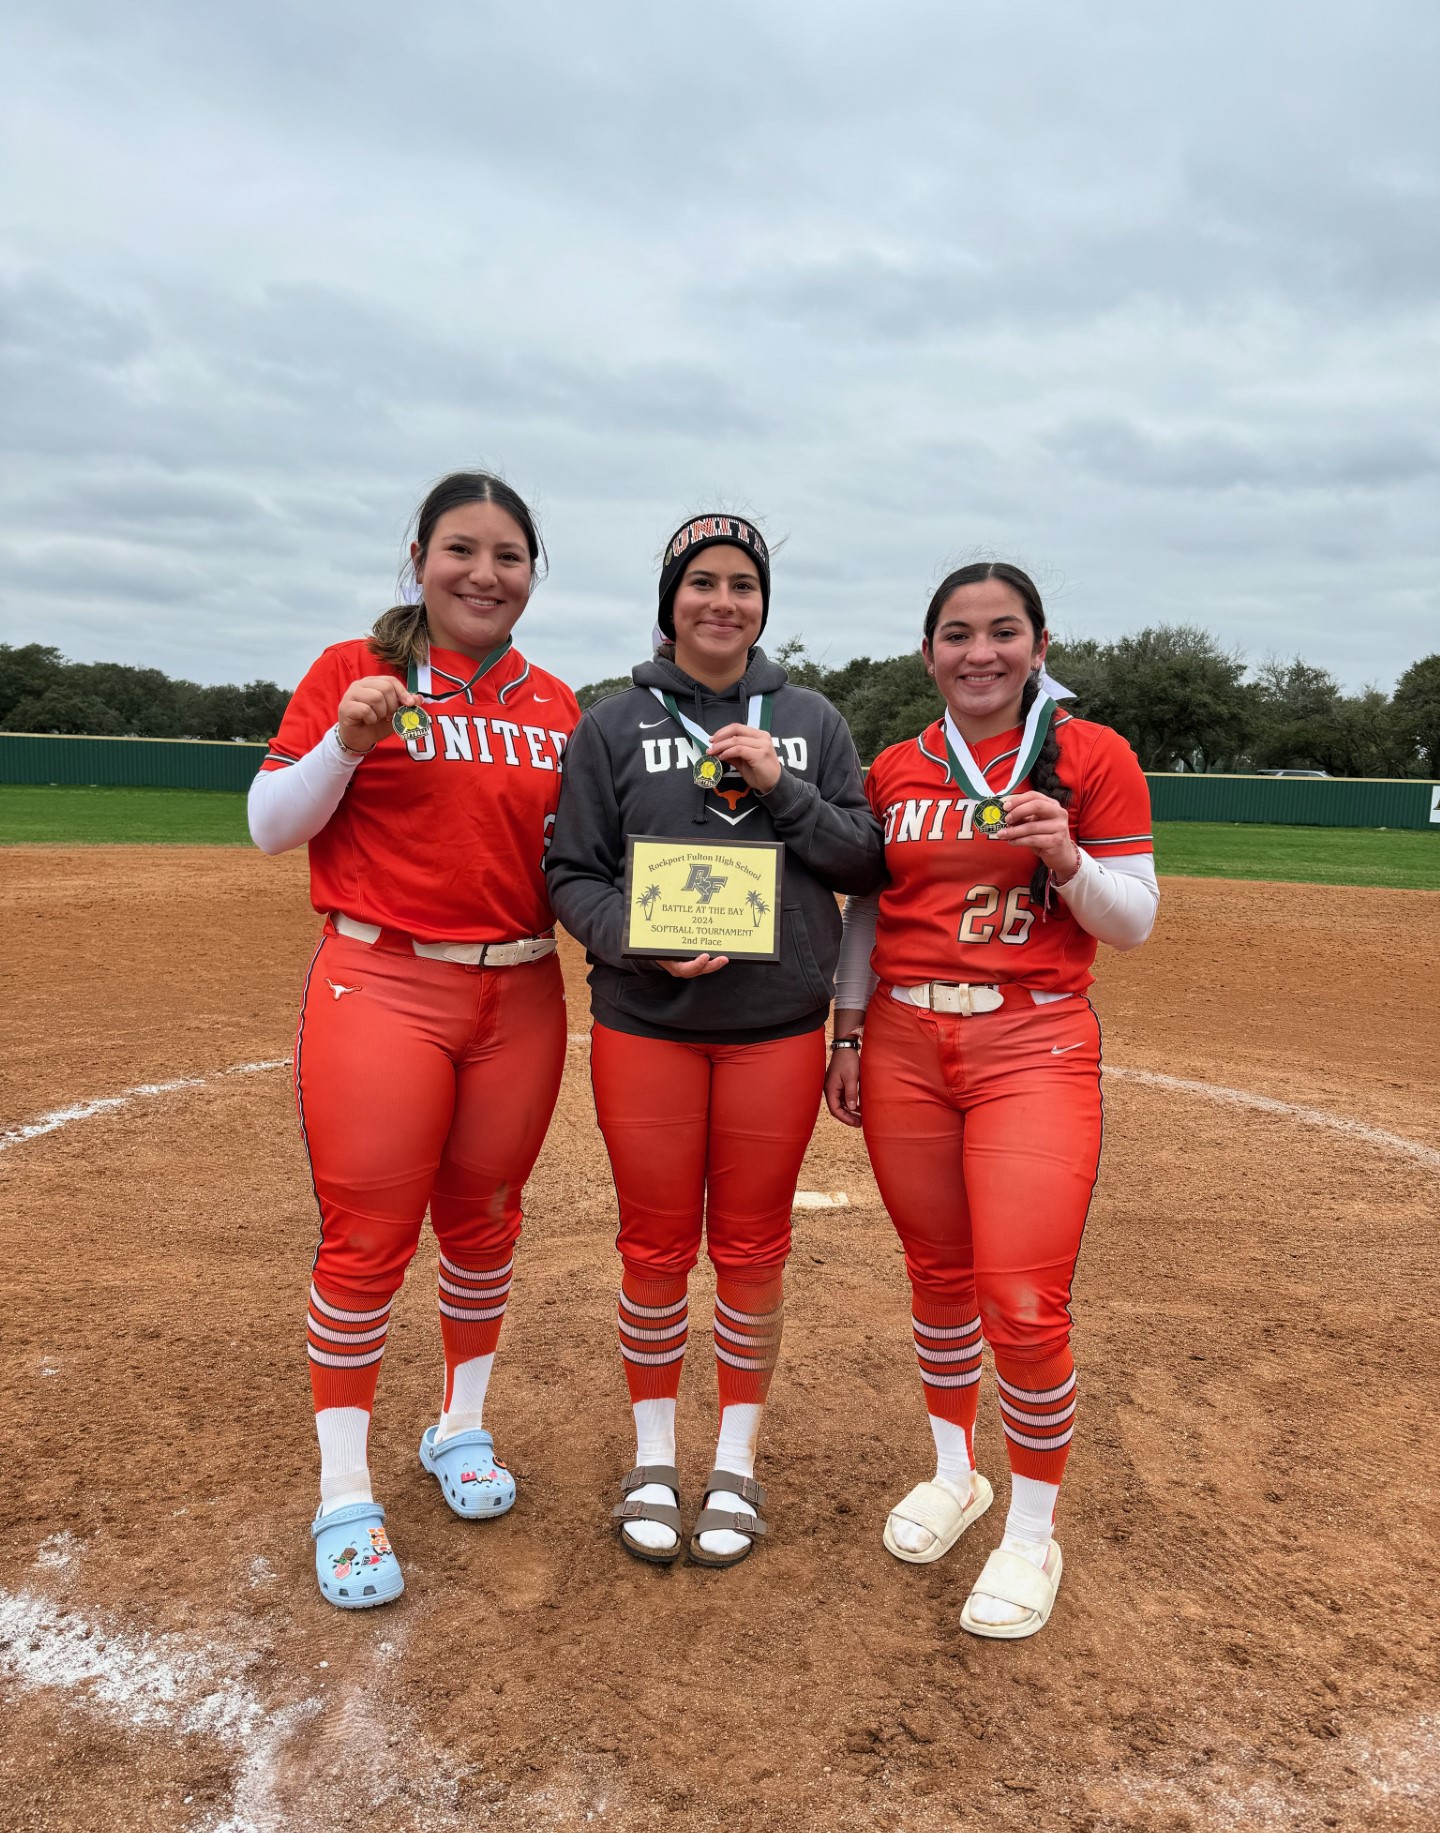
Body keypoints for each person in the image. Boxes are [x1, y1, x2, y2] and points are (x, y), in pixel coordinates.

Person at [248, 471, 579, 1610]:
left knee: (485, 1222)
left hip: (521, 992)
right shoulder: (357, 671)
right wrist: (343, 741)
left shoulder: (557, 705)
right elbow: (267, 825)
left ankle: (461, 1425)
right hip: (382, 982)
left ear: (534, 574)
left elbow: (584, 864)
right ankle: (345, 1492)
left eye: (510, 556)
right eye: (462, 550)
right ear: (420, 558)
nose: (485, 574)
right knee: (368, 1238)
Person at [825, 561, 1157, 1638]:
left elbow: (1134, 920)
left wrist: (1067, 858)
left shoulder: (1092, 757)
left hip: (1032, 1041)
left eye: (1002, 631)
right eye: (958, 634)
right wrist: (849, 1024)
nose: (981, 652)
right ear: (928, 654)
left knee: (1021, 1298)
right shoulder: (894, 768)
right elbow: (871, 911)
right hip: (908, 1042)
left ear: (1039, 644)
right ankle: (955, 1471)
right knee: (937, 1272)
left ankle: (1031, 1529)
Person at [547, 513, 885, 1567]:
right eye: (702, 582)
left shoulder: (813, 719)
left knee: (749, 1249)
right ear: (671, 599)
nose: (723, 601)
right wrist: (636, 944)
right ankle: (654, 1454)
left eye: (743, 583)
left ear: (762, 603)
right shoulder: (612, 723)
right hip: (647, 1024)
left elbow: (863, 857)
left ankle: (734, 1460)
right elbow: (573, 875)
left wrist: (782, 785)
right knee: (652, 1249)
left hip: (774, 1028)